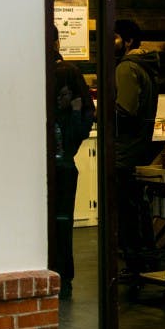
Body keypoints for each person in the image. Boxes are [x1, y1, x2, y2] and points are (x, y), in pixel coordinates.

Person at [113, 18, 161, 274]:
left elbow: (125, 110)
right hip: (141, 145)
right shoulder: (147, 66)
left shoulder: (127, 68)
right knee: (138, 206)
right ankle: (145, 258)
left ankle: (135, 262)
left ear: (128, 41)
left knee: (128, 209)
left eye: (115, 38)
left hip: (125, 149)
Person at [51, 26, 95, 299]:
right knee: (62, 221)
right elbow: (86, 110)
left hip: (49, 161)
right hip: (64, 161)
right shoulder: (68, 72)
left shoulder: (39, 69)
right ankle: (63, 277)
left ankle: (51, 274)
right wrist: (70, 145)